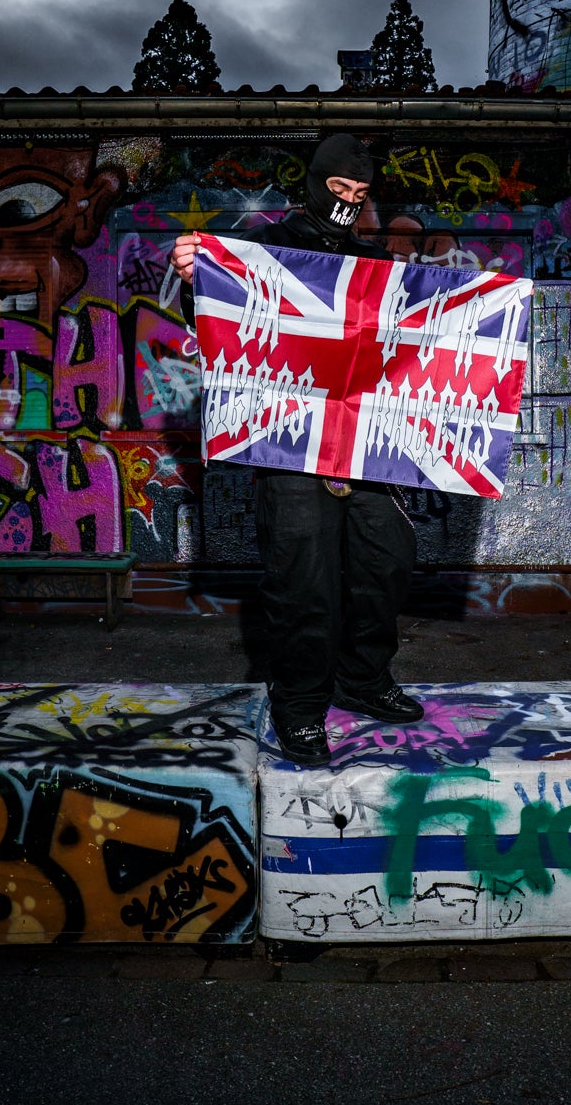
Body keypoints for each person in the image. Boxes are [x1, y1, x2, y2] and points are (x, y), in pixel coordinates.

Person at [172, 131, 423, 768]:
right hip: (290, 445)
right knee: (303, 582)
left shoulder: (374, 262)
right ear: (313, 183)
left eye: (360, 192)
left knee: (384, 565)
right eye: (338, 187)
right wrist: (195, 278)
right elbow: (214, 321)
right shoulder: (265, 250)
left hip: (367, 446)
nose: (348, 200)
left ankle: (363, 678)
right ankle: (302, 707)